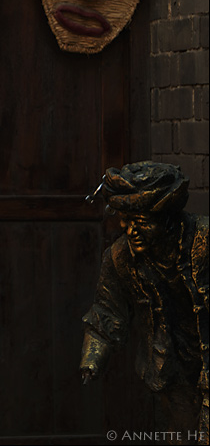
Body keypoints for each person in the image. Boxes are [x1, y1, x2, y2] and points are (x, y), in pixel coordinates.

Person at [81, 161, 208, 436]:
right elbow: (107, 311)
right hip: (173, 371)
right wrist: (92, 359)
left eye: (140, 222)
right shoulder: (120, 258)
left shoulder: (204, 242)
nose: (130, 231)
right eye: (125, 221)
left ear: (167, 218)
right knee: (182, 433)